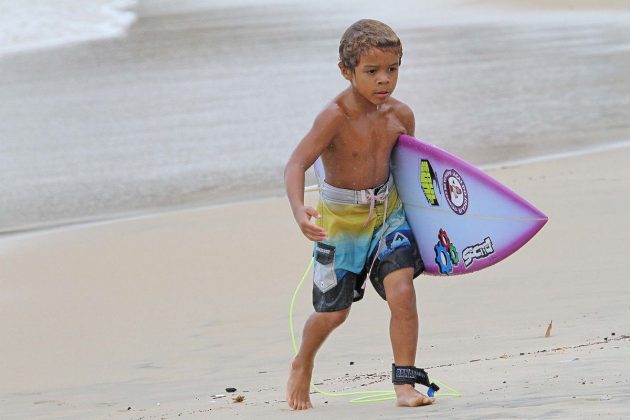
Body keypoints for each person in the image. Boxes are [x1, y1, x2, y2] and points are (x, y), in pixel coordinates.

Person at [284, 19, 435, 410]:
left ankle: (404, 384)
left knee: (402, 292)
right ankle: (303, 361)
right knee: (333, 315)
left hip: (388, 213)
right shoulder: (334, 116)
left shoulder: (401, 116)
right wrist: (300, 210)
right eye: (372, 72)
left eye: (392, 69)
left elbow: (411, 170)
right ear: (346, 72)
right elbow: (297, 164)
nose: (384, 80)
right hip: (341, 223)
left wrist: (431, 224)